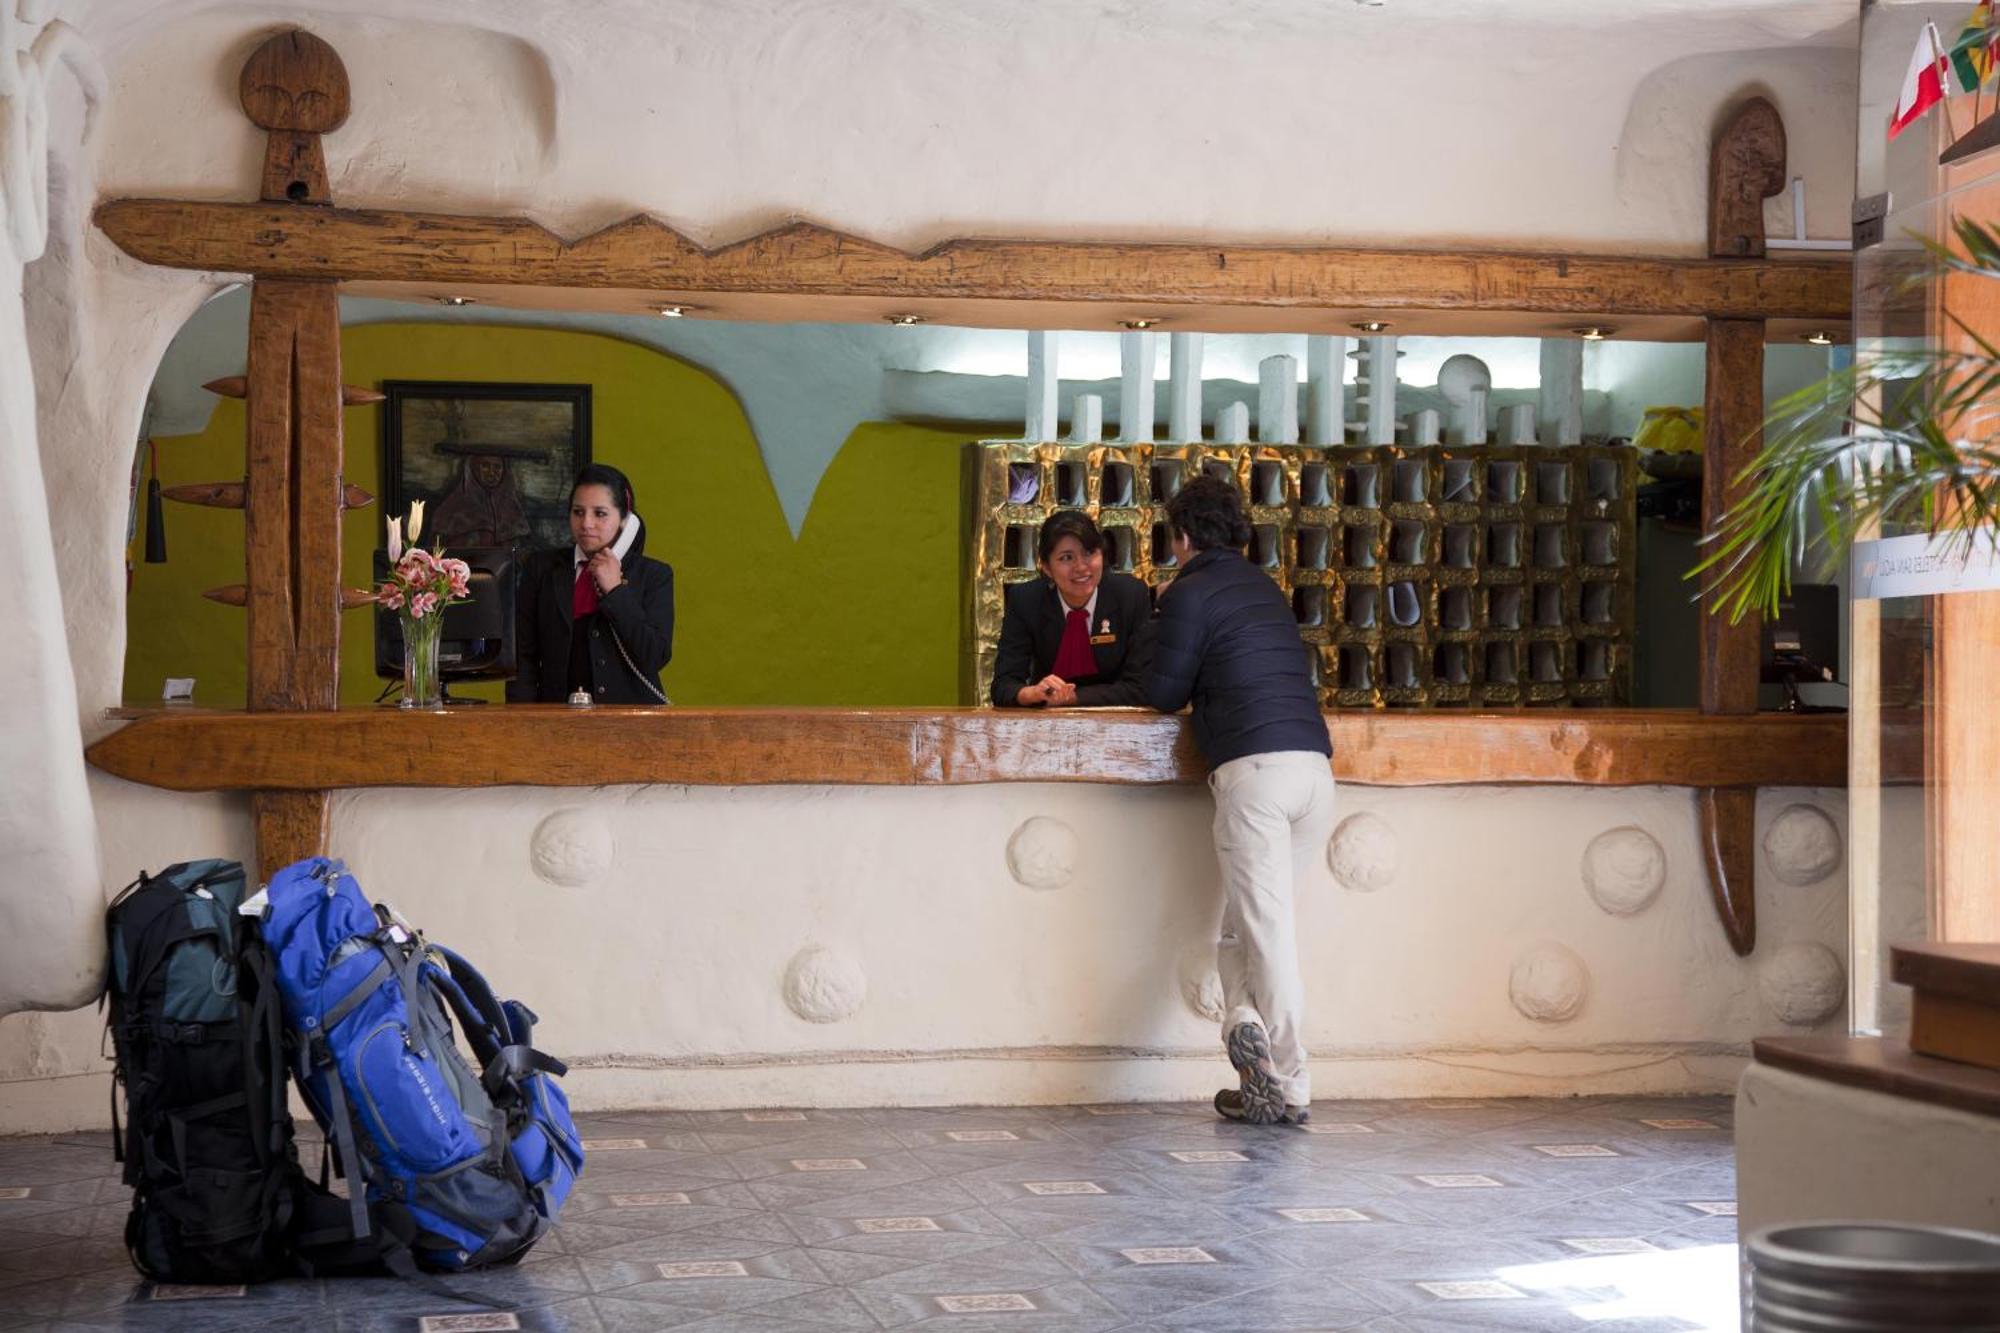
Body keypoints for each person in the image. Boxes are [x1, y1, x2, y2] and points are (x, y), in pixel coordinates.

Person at [1142, 475, 1334, 1126]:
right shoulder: (1266, 589)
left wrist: (1160, 616)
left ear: (1184, 536)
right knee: (1242, 928)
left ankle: (1293, 1079)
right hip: (1313, 770)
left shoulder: (1190, 592)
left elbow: (1165, 692)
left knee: (1266, 930)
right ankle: (1246, 1030)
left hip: (1255, 775)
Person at [508, 464, 674, 704]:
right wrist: (521, 722)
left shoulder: (654, 575)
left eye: (600, 513)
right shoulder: (541, 568)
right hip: (556, 719)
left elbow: (655, 655)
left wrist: (616, 591)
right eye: (578, 512)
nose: (586, 524)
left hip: (631, 722)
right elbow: (523, 657)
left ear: (625, 521)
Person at [991, 510, 1153, 707]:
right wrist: (1032, 693)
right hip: (1048, 722)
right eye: (1067, 558)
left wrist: (1072, 698)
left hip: (1118, 723)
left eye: (1089, 552)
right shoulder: (1026, 600)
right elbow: (1003, 686)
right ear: (1047, 568)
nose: (1081, 567)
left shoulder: (1131, 595)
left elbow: (1141, 686)